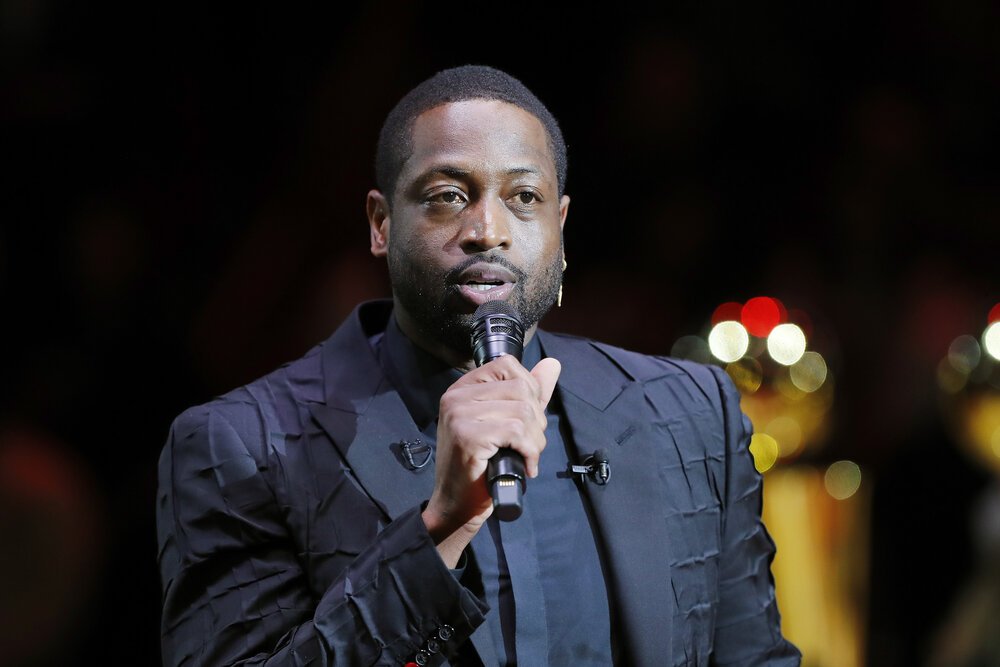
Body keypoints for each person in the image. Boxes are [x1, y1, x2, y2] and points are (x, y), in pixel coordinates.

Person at [156, 64, 801, 666]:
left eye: (524, 196)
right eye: (446, 196)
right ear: (380, 224)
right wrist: (439, 528)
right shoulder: (240, 445)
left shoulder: (692, 412)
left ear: (561, 224)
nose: (488, 228)